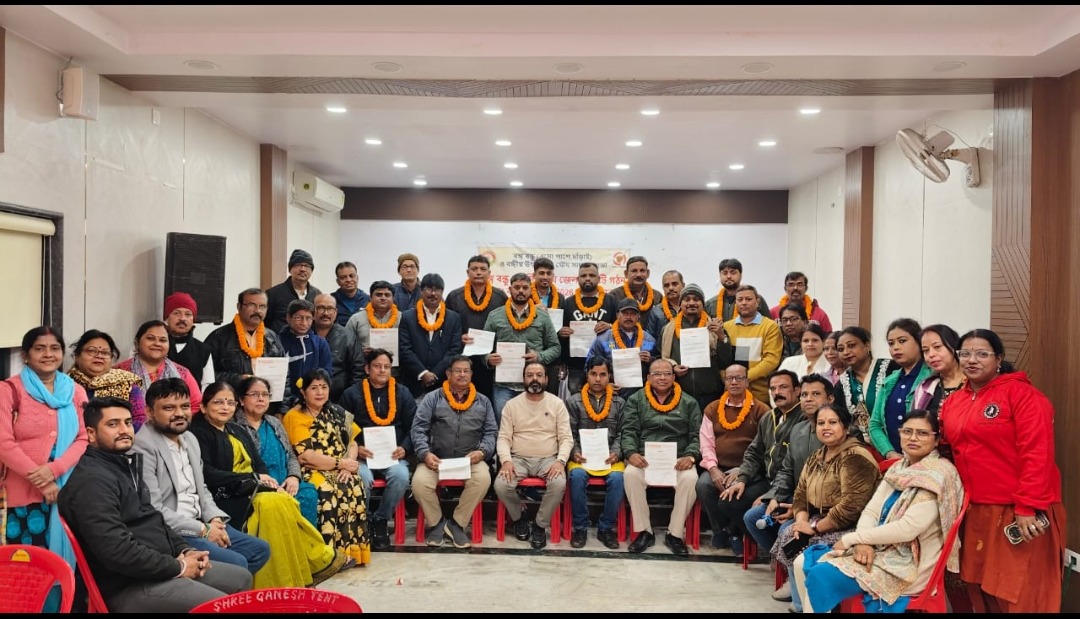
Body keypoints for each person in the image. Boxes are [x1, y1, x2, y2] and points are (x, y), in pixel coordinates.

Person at [58, 397, 252, 613]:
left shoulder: (122, 466)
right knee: (224, 606)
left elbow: (155, 520)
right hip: (127, 585)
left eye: (128, 423)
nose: (124, 430)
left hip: (158, 568)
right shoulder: (91, 482)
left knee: (240, 578)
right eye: (113, 424)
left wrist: (185, 550)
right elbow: (118, 552)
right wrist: (179, 567)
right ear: (91, 434)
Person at [940, 328, 1065, 613]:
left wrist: (1027, 506)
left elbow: (1038, 454)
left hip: (1019, 510)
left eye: (982, 354)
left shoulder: (1024, 396)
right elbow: (947, 449)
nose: (972, 360)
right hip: (976, 510)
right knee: (980, 589)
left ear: (998, 359)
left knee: (1020, 592)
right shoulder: (954, 401)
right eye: (965, 353)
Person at [794, 409, 965, 613]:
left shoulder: (937, 475)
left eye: (922, 433)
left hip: (907, 563)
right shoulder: (899, 468)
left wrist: (853, 539)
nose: (913, 438)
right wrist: (863, 542)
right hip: (879, 548)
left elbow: (907, 529)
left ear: (936, 440)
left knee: (822, 575)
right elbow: (871, 512)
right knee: (801, 561)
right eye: (907, 431)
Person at [189, 382, 348, 587]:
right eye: (218, 402)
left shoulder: (236, 429)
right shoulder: (198, 433)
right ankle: (300, 569)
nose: (225, 407)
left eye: (229, 402)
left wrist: (266, 479)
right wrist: (251, 478)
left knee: (284, 499)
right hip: (225, 494)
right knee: (272, 504)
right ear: (203, 407)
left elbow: (259, 464)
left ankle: (301, 570)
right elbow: (206, 473)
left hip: (251, 488)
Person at [131, 378, 270, 575]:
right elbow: (153, 508)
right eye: (169, 408)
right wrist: (203, 530)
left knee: (259, 550)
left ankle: (222, 587)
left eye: (185, 406)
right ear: (149, 412)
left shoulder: (189, 438)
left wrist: (215, 519)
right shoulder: (142, 447)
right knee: (237, 563)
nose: (179, 413)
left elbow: (201, 488)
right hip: (174, 531)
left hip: (202, 520)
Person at [771, 403, 880, 605]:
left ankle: (811, 603)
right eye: (821, 423)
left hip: (853, 526)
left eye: (832, 422)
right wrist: (801, 523)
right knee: (790, 533)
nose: (826, 427)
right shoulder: (817, 456)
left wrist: (814, 528)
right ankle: (801, 601)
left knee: (807, 543)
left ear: (846, 427)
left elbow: (850, 507)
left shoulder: (855, 457)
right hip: (819, 519)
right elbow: (800, 495)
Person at [0, 327, 88, 572]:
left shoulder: (75, 391)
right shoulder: (8, 390)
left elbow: (84, 438)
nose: (48, 354)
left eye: (54, 348)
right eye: (39, 348)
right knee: (26, 566)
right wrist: (42, 481)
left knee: (64, 563)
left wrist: (55, 470)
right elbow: (4, 443)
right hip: (22, 496)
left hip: (66, 491)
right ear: (26, 355)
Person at [283, 369, 371, 566]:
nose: (320, 392)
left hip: (341, 467)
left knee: (354, 484)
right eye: (314, 388)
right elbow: (305, 456)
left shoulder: (336, 412)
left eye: (323, 387)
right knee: (328, 489)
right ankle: (328, 557)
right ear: (303, 392)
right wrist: (340, 463)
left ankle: (350, 553)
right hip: (312, 469)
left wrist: (348, 467)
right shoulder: (295, 416)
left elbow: (353, 443)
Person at [410, 356, 498, 549]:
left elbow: (491, 432)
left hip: (469, 461)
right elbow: (418, 429)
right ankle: (437, 523)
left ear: (472, 374)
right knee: (419, 483)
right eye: (457, 371)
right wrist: (425, 453)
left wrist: (482, 452)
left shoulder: (483, 401)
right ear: (448, 374)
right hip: (436, 459)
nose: (462, 374)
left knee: (483, 479)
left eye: (466, 371)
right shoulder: (432, 398)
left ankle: (457, 523)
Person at [620, 358, 702, 556]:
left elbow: (697, 435)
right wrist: (631, 453)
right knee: (630, 474)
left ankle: (674, 534)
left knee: (691, 479)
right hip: (645, 458)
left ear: (674, 377)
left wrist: (691, 456)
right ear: (648, 377)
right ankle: (644, 531)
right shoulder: (636, 400)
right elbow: (628, 431)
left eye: (667, 373)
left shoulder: (689, 402)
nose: (662, 378)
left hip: (678, 460)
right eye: (657, 374)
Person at [340, 349, 417, 551]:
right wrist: (357, 448)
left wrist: (404, 448)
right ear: (367, 369)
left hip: (393, 455)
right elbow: (342, 429)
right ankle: (363, 520)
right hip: (362, 457)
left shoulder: (403, 393)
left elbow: (414, 428)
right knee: (362, 478)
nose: (382, 370)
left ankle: (381, 519)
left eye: (386, 367)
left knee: (401, 476)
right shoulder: (351, 394)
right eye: (377, 366)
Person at [494, 362, 573, 550]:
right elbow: (503, 438)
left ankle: (539, 525)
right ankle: (519, 518)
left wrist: (560, 461)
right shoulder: (512, 405)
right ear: (523, 379)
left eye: (539, 375)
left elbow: (566, 438)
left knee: (559, 483)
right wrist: (506, 461)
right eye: (530, 375)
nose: (534, 379)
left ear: (546, 379)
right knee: (501, 485)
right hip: (518, 459)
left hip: (549, 459)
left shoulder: (557, 404)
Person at [696, 363, 770, 556]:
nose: (734, 382)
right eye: (730, 378)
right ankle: (721, 530)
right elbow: (706, 443)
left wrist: (743, 471)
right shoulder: (712, 408)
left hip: (749, 470)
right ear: (725, 382)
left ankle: (736, 531)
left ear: (747, 381)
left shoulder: (761, 409)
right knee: (704, 485)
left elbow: (766, 447)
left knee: (736, 493)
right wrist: (713, 469)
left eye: (739, 378)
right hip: (719, 466)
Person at [234, 376, 319, 528]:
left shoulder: (274, 422)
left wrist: (293, 477)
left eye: (265, 395)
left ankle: (306, 543)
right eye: (254, 394)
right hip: (259, 486)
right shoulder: (234, 426)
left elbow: (291, 455)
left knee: (308, 493)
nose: (261, 399)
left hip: (285, 482)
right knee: (276, 503)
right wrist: (265, 484)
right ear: (241, 400)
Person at [565, 357, 626, 549]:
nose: (598, 379)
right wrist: (575, 452)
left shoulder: (619, 403)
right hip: (581, 456)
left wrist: (616, 453)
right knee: (576, 476)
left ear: (609, 376)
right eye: (593, 374)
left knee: (618, 479)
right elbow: (569, 433)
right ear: (587, 375)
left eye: (602, 374)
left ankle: (606, 528)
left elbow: (624, 433)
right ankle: (580, 527)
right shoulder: (573, 401)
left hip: (610, 457)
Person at [483, 272, 560, 422]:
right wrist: (488, 359)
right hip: (503, 386)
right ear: (510, 289)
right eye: (517, 287)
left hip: (534, 384)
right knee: (504, 425)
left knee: (534, 426)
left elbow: (555, 347)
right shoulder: (495, 316)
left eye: (525, 287)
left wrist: (539, 356)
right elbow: (483, 348)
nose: (521, 291)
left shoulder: (542, 317)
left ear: (531, 290)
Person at [445, 255, 509, 400]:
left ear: (489, 273)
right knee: (459, 397)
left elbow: (506, 326)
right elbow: (446, 328)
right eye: (474, 269)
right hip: (462, 358)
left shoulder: (500, 297)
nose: (478, 272)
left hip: (489, 360)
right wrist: (459, 337)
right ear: (468, 272)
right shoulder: (454, 297)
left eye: (483, 269)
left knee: (486, 398)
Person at [660, 283, 733, 410]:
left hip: (710, 394)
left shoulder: (715, 327)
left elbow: (726, 361)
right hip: (679, 394)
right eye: (687, 299)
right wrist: (672, 368)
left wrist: (721, 336)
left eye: (696, 299)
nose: (692, 303)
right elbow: (660, 359)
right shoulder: (667, 330)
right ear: (680, 304)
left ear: (703, 304)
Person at [204, 287, 287, 397]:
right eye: (252, 305)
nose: (257, 311)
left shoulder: (272, 338)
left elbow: (284, 376)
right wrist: (238, 379)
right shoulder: (219, 337)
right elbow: (205, 375)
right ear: (239, 307)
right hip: (232, 400)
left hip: (266, 401)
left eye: (262, 306)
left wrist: (284, 405)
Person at [869, 318, 932, 460]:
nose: (895, 347)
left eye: (902, 341)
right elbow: (874, 424)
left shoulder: (932, 377)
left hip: (926, 461)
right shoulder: (889, 381)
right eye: (891, 343)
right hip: (894, 462)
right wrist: (889, 453)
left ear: (919, 342)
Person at [399, 273, 464, 397]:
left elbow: (454, 350)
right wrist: (423, 373)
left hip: (442, 383)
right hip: (414, 383)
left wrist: (435, 374)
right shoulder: (407, 317)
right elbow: (404, 349)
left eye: (437, 289)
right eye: (429, 289)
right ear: (421, 291)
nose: (433, 293)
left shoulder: (453, 318)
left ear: (442, 292)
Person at [117, 319, 203, 413]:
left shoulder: (183, 374)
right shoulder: (119, 372)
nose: (157, 343)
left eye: (163, 340)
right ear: (137, 343)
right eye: (150, 338)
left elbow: (196, 405)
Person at [67, 328, 146, 430]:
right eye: (92, 351)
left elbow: (139, 419)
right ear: (77, 356)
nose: (99, 356)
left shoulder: (127, 384)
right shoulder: (64, 385)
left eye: (105, 353)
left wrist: (113, 435)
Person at [560, 262, 617, 393]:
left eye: (591, 275)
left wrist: (610, 326)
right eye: (583, 275)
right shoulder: (568, 302)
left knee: (605, 397)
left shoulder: (610, 300)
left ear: (599, 278)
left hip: (605, 363)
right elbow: (560, 331)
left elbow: (621, 327)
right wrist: (561, 333)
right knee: (576, 396)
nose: (587, 278)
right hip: (576, 364)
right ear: (577, 279)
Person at [833, 326, 896, 442]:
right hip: (860, 445)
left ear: (867, 345)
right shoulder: (841, 384)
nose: (846, 352)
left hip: (894, 440)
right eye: (841, 349)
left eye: (851, 346)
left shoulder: (891, 369)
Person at [585, 298, 658, 398]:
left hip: (642, 394)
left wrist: (651, 360)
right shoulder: (603, 339)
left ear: (638, 316)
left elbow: (660, 366)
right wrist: (605, 385)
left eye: (633, 314)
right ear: (617, 315)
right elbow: (589, 365)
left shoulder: (649, 340)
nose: (628, 317)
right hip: (612, 394)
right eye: (624, 313)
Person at [722, 285, 783, 403]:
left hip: (760, 396)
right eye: (740, 299)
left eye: (748, 299)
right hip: (731, 395)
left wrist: (743, 378)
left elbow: (771, 360)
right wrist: (730, 380)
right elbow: (722, 361)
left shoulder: (770, 327)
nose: (744, 303)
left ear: (757, 301)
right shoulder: (726, 327)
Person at [344, 280, 401, 383]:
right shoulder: (356, 319)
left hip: (395, 374)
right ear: (370, 297)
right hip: (362, 374)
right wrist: (361, 352)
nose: (383, 298)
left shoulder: (402, 318)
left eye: (387, 295)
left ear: (393, 298)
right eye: (378, 294)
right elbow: (346, 347)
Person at [911, 324, 965, 418]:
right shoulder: (925, 388)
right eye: (926, 350)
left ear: (954, 347)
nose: (931, 354)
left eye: (937, 347)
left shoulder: (974, 383)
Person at [312, 292, 357, 402]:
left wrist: (349, 397)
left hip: (338, 398)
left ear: (336, 312)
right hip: (307, 397)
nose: (326, 313)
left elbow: (357, 370)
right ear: (313, 310)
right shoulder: (304, 334)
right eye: (321, 308)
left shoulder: (347, 336)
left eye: (330, 309)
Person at [164, 291, 214, 388]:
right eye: (177, 313)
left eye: (188, 314)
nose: (182, 318)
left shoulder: (203, 350)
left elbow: (207, 385)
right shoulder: (155, 346)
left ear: (193, 320)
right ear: (167, 317)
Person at [266, 248, 321, 333]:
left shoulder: (317, 295)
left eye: (307, 266)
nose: (303, 269)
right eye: (298, 265)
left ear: (311, 271)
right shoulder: (273, 294)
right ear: (290, 269)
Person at [704, 258, 770, 322]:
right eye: (725, 273)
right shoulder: (710, 305)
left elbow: (768, 325)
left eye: (733, 273)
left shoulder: (756, 299)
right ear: (720, 275)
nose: (729, 276)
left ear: (740, 275)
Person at [769, 271, 833, 332]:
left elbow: (828, 338)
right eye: (791, 284)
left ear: (806, 288)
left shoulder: (820, 314)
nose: (795, 288)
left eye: (800, 284)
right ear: (785, 289)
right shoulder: (773, 313)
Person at [607, 255, 656, 326]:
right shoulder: (614, 296)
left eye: (642, 271)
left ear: (648, 273)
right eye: (634, 271)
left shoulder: (657, 296)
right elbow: (608, 323)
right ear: (626, 274)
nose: (638, 275)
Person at [331, 261, 370, 326]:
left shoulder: (368, 300)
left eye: (351, 276)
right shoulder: (331, 301)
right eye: (343, 277)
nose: (348, 280)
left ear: (357, 278)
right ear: (337, 281)